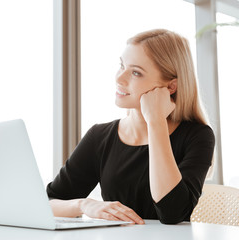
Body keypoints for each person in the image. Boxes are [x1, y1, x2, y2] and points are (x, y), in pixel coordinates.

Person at [46, 29, 215, 225]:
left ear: (170, 87)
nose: (119, 78)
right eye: (121, 66)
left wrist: (156, 121)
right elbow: (48, 202)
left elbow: (172, 213)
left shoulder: (197, 136)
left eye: (136, 72)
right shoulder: (100, 136)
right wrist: (84, 205)